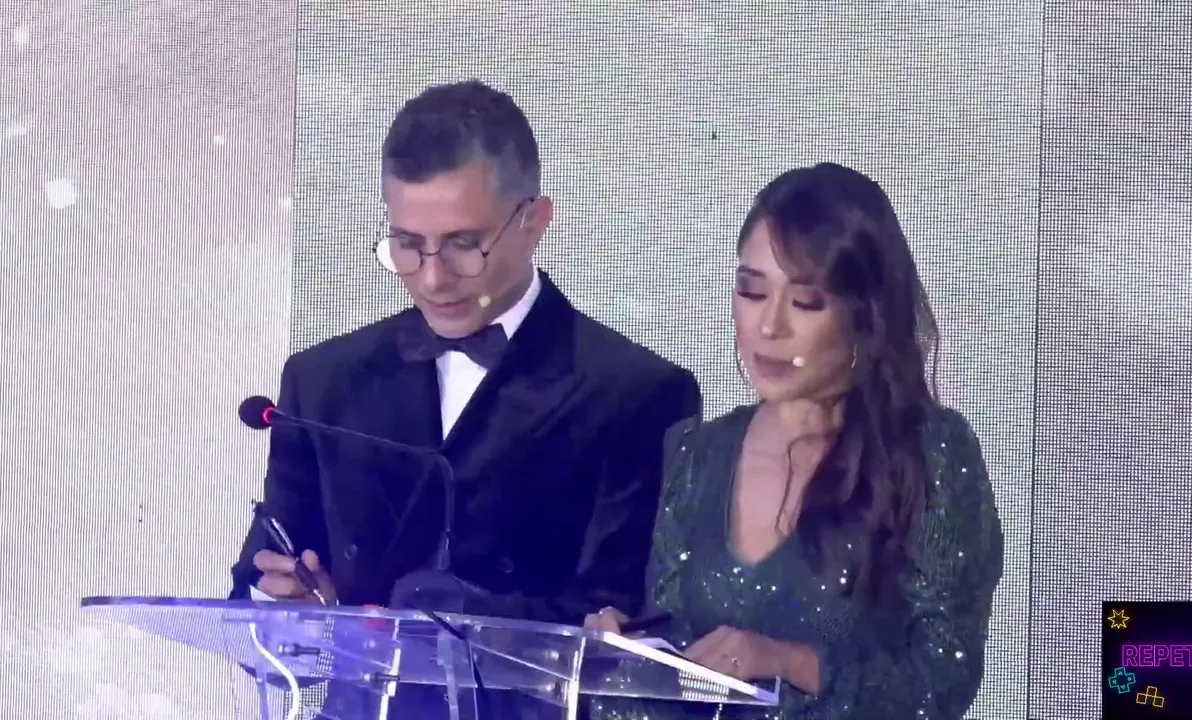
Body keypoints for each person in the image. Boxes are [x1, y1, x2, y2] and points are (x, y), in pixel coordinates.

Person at [228, 79, 701, 715]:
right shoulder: (323, 383)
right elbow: (254, 593)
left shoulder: (636, 394)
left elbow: (627, 627)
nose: (432, 277)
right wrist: (278, 603)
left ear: (534, 221)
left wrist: (457, 616)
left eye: (461, 244)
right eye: (407, 245)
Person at [585, 163, 1003, 719]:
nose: (769, 327)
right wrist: (629, 655)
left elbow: (943, 680)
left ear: (865, 316)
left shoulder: (929, 455)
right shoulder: (697, 455)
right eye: (751, 292)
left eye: (805, 303)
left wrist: (788, 661)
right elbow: (679, 662)